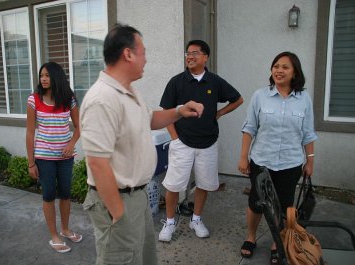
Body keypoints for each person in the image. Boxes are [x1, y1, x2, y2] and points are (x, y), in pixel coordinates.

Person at [79, 24, 204, 265]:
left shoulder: (128, 92)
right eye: (143, 52)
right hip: (117, 201)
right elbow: (97, 163)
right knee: (120, 259)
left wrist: (179, 111)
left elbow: (150, 119)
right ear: (128, 54)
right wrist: (118, 213)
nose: (146, 59)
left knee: (143, 258)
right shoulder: (102, 99)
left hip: (137, 197)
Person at [158, 40, 243, 242]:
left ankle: (196, 219)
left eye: (195, 52)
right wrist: (175, 138)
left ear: (206, 57)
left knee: (204, 183)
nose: (190, 56)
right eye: (187, 53)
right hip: (182, 142)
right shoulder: (177, 81)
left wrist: (220, 113)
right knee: (173, 185)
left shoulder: (214, 81)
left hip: (208, 142)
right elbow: (166, 111)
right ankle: (170, 222)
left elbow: (237, 99)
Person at [238, 51, 317, 265]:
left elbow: (308, 133)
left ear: (295, 72)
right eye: (276, 66)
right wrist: (243, 157)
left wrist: (310, 161)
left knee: (284, 205)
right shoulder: (260, 96)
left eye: (285, 67)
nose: (279, 70)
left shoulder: (304, 99)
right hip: (262, 161)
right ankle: (251, 237)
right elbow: (249, 128)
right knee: (256, 202)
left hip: (290, 163)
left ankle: (278, 241)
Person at [26, 62, 82, 253]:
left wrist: (71, 144)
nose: (43, 78)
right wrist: (31, 162)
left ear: (56, 77)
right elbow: (30, 132)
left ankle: (65, 230)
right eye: (42, 75)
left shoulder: (69, 99)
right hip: (44, 156)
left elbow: (78, 126)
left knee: (66, 194)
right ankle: (54, 235)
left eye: (47, 75)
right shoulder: (34, 100)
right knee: (49, 195)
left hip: (66, 156)